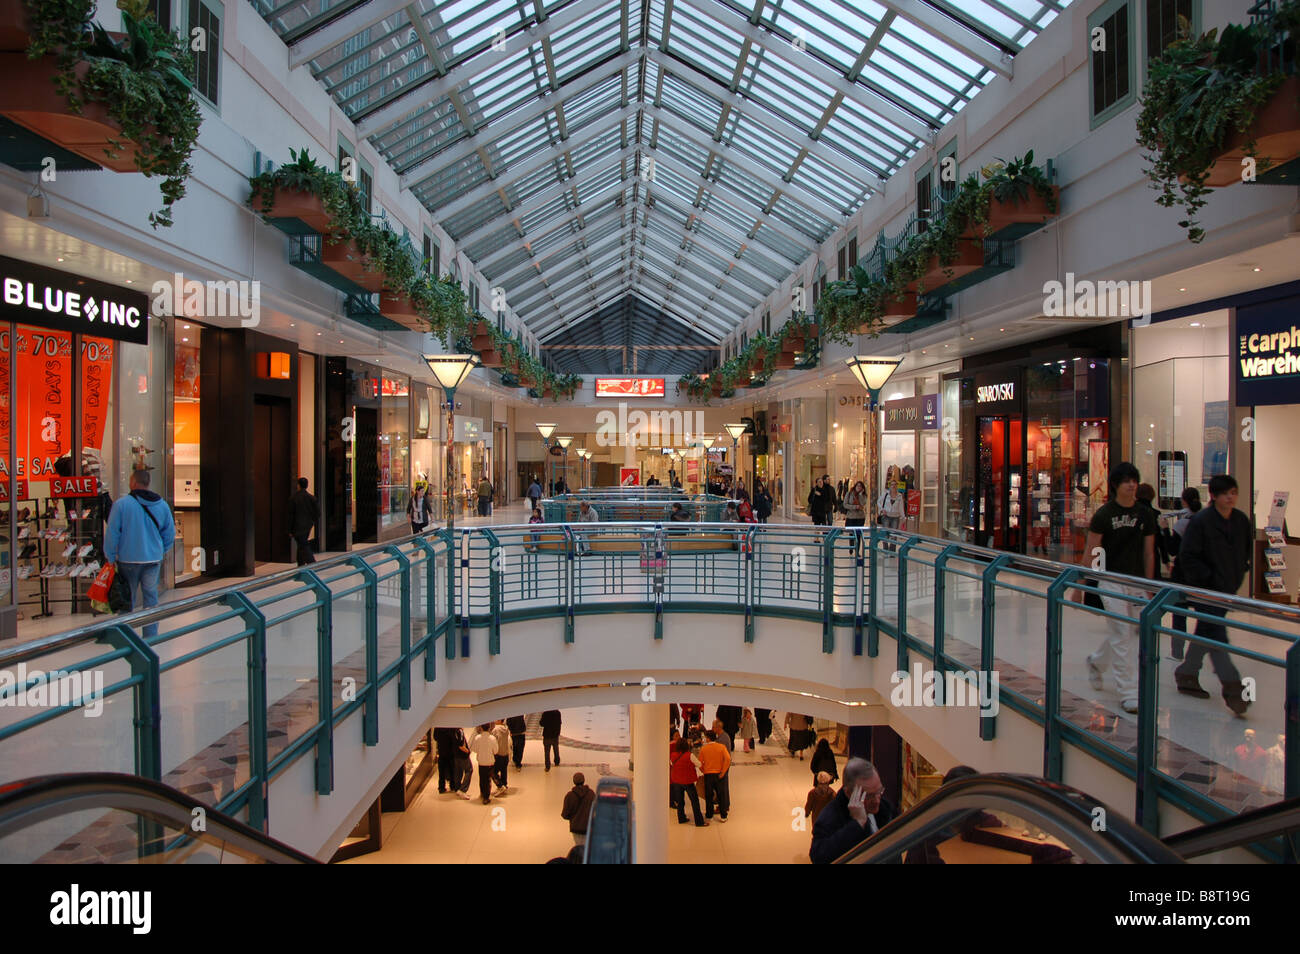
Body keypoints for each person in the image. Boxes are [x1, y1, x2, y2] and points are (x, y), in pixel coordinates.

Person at [1070, 462, 1156, 715]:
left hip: (1137, 582)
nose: (1131, 485)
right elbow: (1092, 550)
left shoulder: (1145, 514)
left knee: (1128, 632)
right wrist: (1080, 585)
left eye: (1134, 480)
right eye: (1127, 481)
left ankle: (1096, 662)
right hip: (1111, 580)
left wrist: (1150, 585)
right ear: (1116, 485)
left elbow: (1149, 552)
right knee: (1122, 632)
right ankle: (1128, 692)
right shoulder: (1104, 515)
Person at [1173, 474, 1253, 715]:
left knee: (1207, 629)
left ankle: (1187, 672)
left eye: (1234, 492)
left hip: (1226, 588)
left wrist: (1236, 579)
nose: (1231, 497)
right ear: (1214, 496)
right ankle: (1233, 687)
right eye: (1226, 493)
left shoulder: (1240, 521)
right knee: (1217, 635)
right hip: (1204, 589)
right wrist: (1205, 583)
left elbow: (1243, 553)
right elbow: (1188, 556)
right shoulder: (1201, 522)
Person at [104, 469, 175, 639]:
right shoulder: (162, 504)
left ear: (133, 482)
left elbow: (113, 532)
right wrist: (160, 550)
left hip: (128, 560)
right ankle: (150, 635)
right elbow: (169, 533)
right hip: (152, 559)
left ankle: (125, 636)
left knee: (126, 599)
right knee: (151, 598)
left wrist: (111, 556)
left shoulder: (121, 504)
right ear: (148, 483)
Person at [809, 758, 896, 864]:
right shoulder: (829, 818)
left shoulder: (884, 808)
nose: (877, 800)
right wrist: (857, 824)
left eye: (879, 791)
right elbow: (819, 857)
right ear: (849, 793)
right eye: (869, 796)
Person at [1165, 487, 1202, 660]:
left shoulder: (1181, 524)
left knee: (1179, 613)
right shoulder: (1204, 521)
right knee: (1203, 614)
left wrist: (1164, 529)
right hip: (1200, 574)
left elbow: (1173, 549)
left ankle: (1177, 652)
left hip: (1181, 573)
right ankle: (1199, 653)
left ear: (1184, 501)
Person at [670, 737, 708, 826]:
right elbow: (699, 764)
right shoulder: (690, 755)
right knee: (694, 801)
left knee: (680, 801)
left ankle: (681, 818)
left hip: (676, 780)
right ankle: (699, 822)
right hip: (688, 781)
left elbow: (672, 763)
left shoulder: (673, 755)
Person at [1135, 483, 1170, 579]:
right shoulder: (1156, 514)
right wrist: (1166, 560)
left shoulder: (1132, 512)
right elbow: (1161, 541)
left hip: (1135, 556)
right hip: (1153, 556)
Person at [698, 729, 731, 822]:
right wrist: (723, 772)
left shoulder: (704, 749)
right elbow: (728, 759)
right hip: (719, 775)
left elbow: (699, 763)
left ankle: (709, 815)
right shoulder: (721, 747)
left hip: (708, 775)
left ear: (708, 738)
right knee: (721, 795)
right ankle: (723, 815)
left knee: (708, 795)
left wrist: (704, 770)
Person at [289, 476, 320, 565]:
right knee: (301, 543)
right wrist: (312, 521)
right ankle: (301, 564)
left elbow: (290, 515)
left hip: (297, 526)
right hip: (308, 525)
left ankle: (312, 563)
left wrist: (289, 529)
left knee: (303, 544)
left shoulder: (293, 498)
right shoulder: (312, 498)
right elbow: (318, 513)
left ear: (298, 485)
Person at [561, 772, 596, 845]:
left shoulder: (570, 796)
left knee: (579, 847)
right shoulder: (591, 794)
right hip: (588, 827)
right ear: (584, 780)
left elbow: (565, 814)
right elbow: (596, 809)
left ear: (574, 782)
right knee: (587, 848)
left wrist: (573, 818)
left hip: (576, 828)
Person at [469, 723, 498, 804]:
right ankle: (486, 797)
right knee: (488, 779)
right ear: (489, 728)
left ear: (481, 728)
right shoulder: (492, 738)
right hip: (490, 762)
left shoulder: (477, 738)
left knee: (482, 778)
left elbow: (474, 749)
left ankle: (482, 793)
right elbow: (496, 751)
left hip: (481, 762)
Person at [878, 481, 905, 545]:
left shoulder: (899, 496)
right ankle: (885, 550)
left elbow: (901, 507)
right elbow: (878, 502)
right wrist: (882, 509)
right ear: (890, 486)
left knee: (894, 534)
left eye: (895, 485)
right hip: (886, 516)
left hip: (895, 516)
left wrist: (903, 517)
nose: (893, 486)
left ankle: (892, 551)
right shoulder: (885, 494)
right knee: (885, 534)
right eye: (892, 485)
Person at [433, 726, 458, 793]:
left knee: (441, 772)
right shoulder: (451, 727)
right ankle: (452, 786)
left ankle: (441, 787)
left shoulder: (437, 727)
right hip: (450, 752)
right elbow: (454, 739)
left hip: (441, 751)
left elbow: (435, 738)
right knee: (452, 770)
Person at [490, 718, 511, 793]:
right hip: (505, 753)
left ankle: (500, 785)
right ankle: (504, 785)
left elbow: (492, 741)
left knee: (493, 772)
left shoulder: (495, 730)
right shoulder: (506, 728)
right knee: (503, 770)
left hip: (498, 754)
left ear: (499, 720)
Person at [452, 727, 473, 799]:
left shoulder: (453, 731)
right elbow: (461, 745)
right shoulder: (460, 731)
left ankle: (457, 788)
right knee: (469, 770)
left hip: (456, 754)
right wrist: (467, 751)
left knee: (458, 771)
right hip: (463, 755)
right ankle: (463, 790)